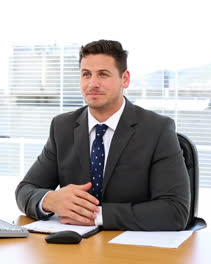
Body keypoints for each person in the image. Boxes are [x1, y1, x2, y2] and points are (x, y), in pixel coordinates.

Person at [15, 40, 190, 231]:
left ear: (125, 79)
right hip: (75, 249)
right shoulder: (62, 127)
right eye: (86, 74)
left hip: (132, 250)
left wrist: (96, 216)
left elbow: (175, 211)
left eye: (103, 75)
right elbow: (25, 190)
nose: (93, 84)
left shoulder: (157, 129)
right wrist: (49, 200)